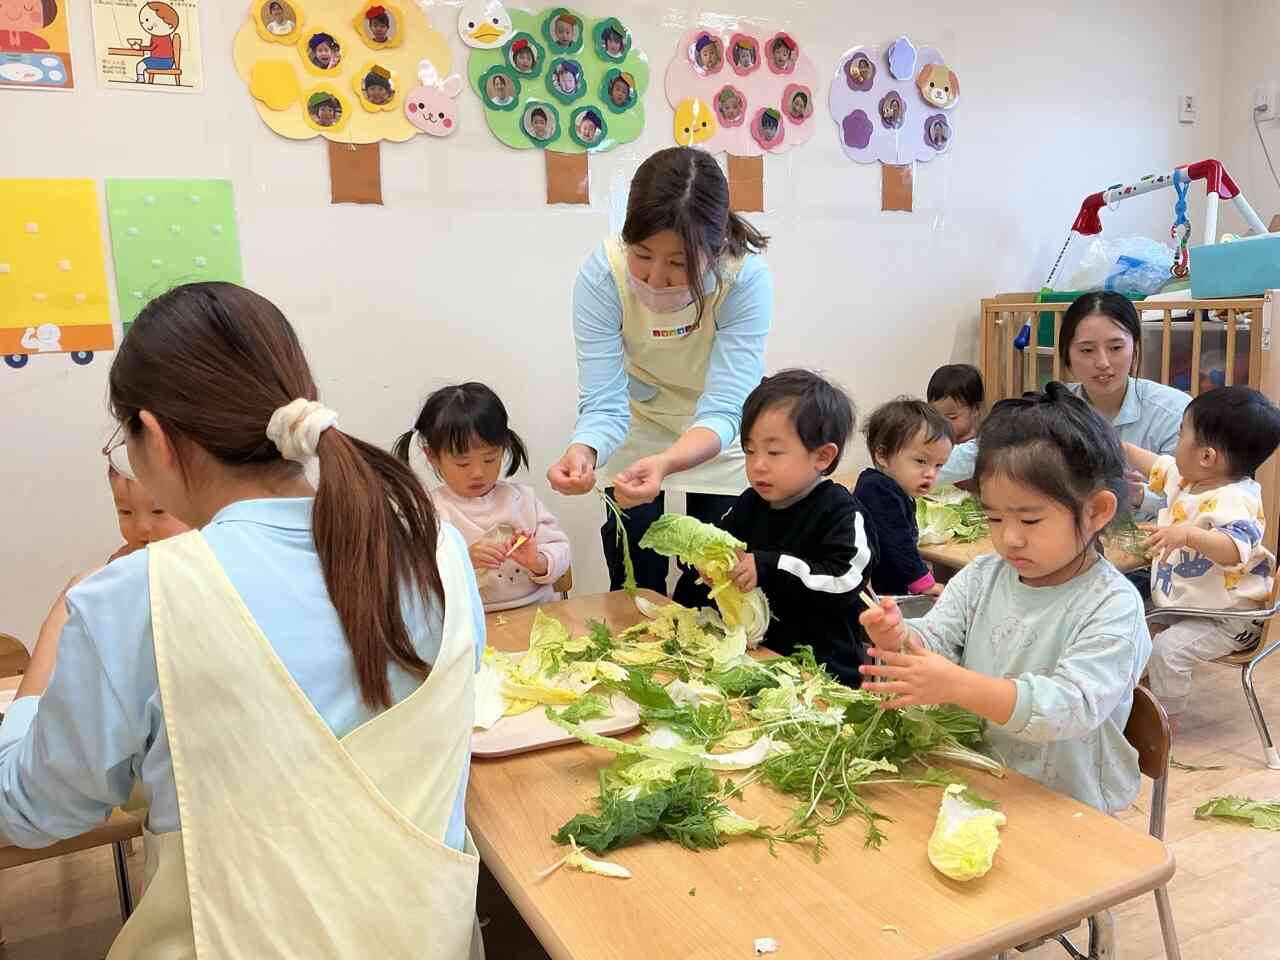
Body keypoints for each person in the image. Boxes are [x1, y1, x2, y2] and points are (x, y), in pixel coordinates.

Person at [0, 282, 485, 955]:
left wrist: (46, 654)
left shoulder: (134, 597)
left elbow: (33, 811)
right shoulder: (440, 551)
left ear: (155, 438)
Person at [860, 383, 1151, 814]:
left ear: (1095, 512)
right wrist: (899, 637)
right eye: (994, 517)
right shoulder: (982, 576)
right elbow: (937, 641)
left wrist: (958, 684)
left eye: (1030, 520)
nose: (1009, 538)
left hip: (1066, 804)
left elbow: (1069, 707)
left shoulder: (1112, 606)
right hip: (978, 779)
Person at [548, 146, 773, 601]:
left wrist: (669, 462)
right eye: (643, 254)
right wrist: (583, 450)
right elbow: (604, 402)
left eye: (678, 262)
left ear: (714, 248)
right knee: (633, 577)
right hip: (638, 425)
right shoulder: (603, 275)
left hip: (720, 434)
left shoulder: (743, 280)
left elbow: (726, 407)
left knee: (714, 581)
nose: (655, 278)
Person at [674, 370, 876, 685]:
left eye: (774, 452)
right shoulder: (749, 503)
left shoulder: (842, 513)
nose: (758, 465)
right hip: (756, 662)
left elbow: (844, 581)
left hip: (820, 674)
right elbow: (720, 552)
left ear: (823, 456)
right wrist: (704, 566)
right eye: (750, 451)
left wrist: (768, 567)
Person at [939, 292, 1190, 522]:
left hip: (1152, 549)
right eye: (1087, 350)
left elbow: (1199, 498)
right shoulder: (1052, 407)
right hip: (1065, 540)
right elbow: (983, 449)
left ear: (1135, 347)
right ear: (1067, 355)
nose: (1103, 362)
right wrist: (921, 468)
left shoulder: (1174, 412)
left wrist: (1137, 494)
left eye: (1116, 348)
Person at [1126, 386, 1280, 733]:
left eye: (1181, 433)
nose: (1175, 442)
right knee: (1130, 627)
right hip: (1189, 605)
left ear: (1207, 457)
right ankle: (1132, 705)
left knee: (1167, 651)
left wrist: (1187, 535)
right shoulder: (1190, 480)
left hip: (1229, 618)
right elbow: (1159, 465)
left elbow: (1234, 548)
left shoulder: (1236, 499)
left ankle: (1164, 728)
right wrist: (1119, 446)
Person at [393, 383, 570, 613]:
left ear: (504, 449)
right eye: (462, 463)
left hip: (537, 613)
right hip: (469, 622)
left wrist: (537, 560)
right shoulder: (428, 512)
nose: (478, 472)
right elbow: (412, 579)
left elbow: (560, 552)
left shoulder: (523, 500)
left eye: (489, 459)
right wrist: (463, 561)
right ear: (432, 457)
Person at [854, 399, 952, 598]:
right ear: (882, 455)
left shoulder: (894, 488)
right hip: (872, 596)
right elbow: (898, 542)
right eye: (921, 461)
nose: (931, 473)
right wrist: (924, 582)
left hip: (888, 590)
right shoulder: (877, 489)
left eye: (938, 465)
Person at [927, 363, 984, 444]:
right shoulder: (934, 442)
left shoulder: (982, 444)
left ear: (976, 409)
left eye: (952, 417)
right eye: (936, 418)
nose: (943, 424)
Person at [131, 2, 178, 83]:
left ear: (169, 25)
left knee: (140, 65)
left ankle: (140, 80)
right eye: (144, 21)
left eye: (147, 20)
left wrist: (140, 47)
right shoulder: (160, 35)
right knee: (142, 64)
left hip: (162, 61)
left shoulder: (160, 36)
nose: (144, 24)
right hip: (165, 61)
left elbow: (152, 47)